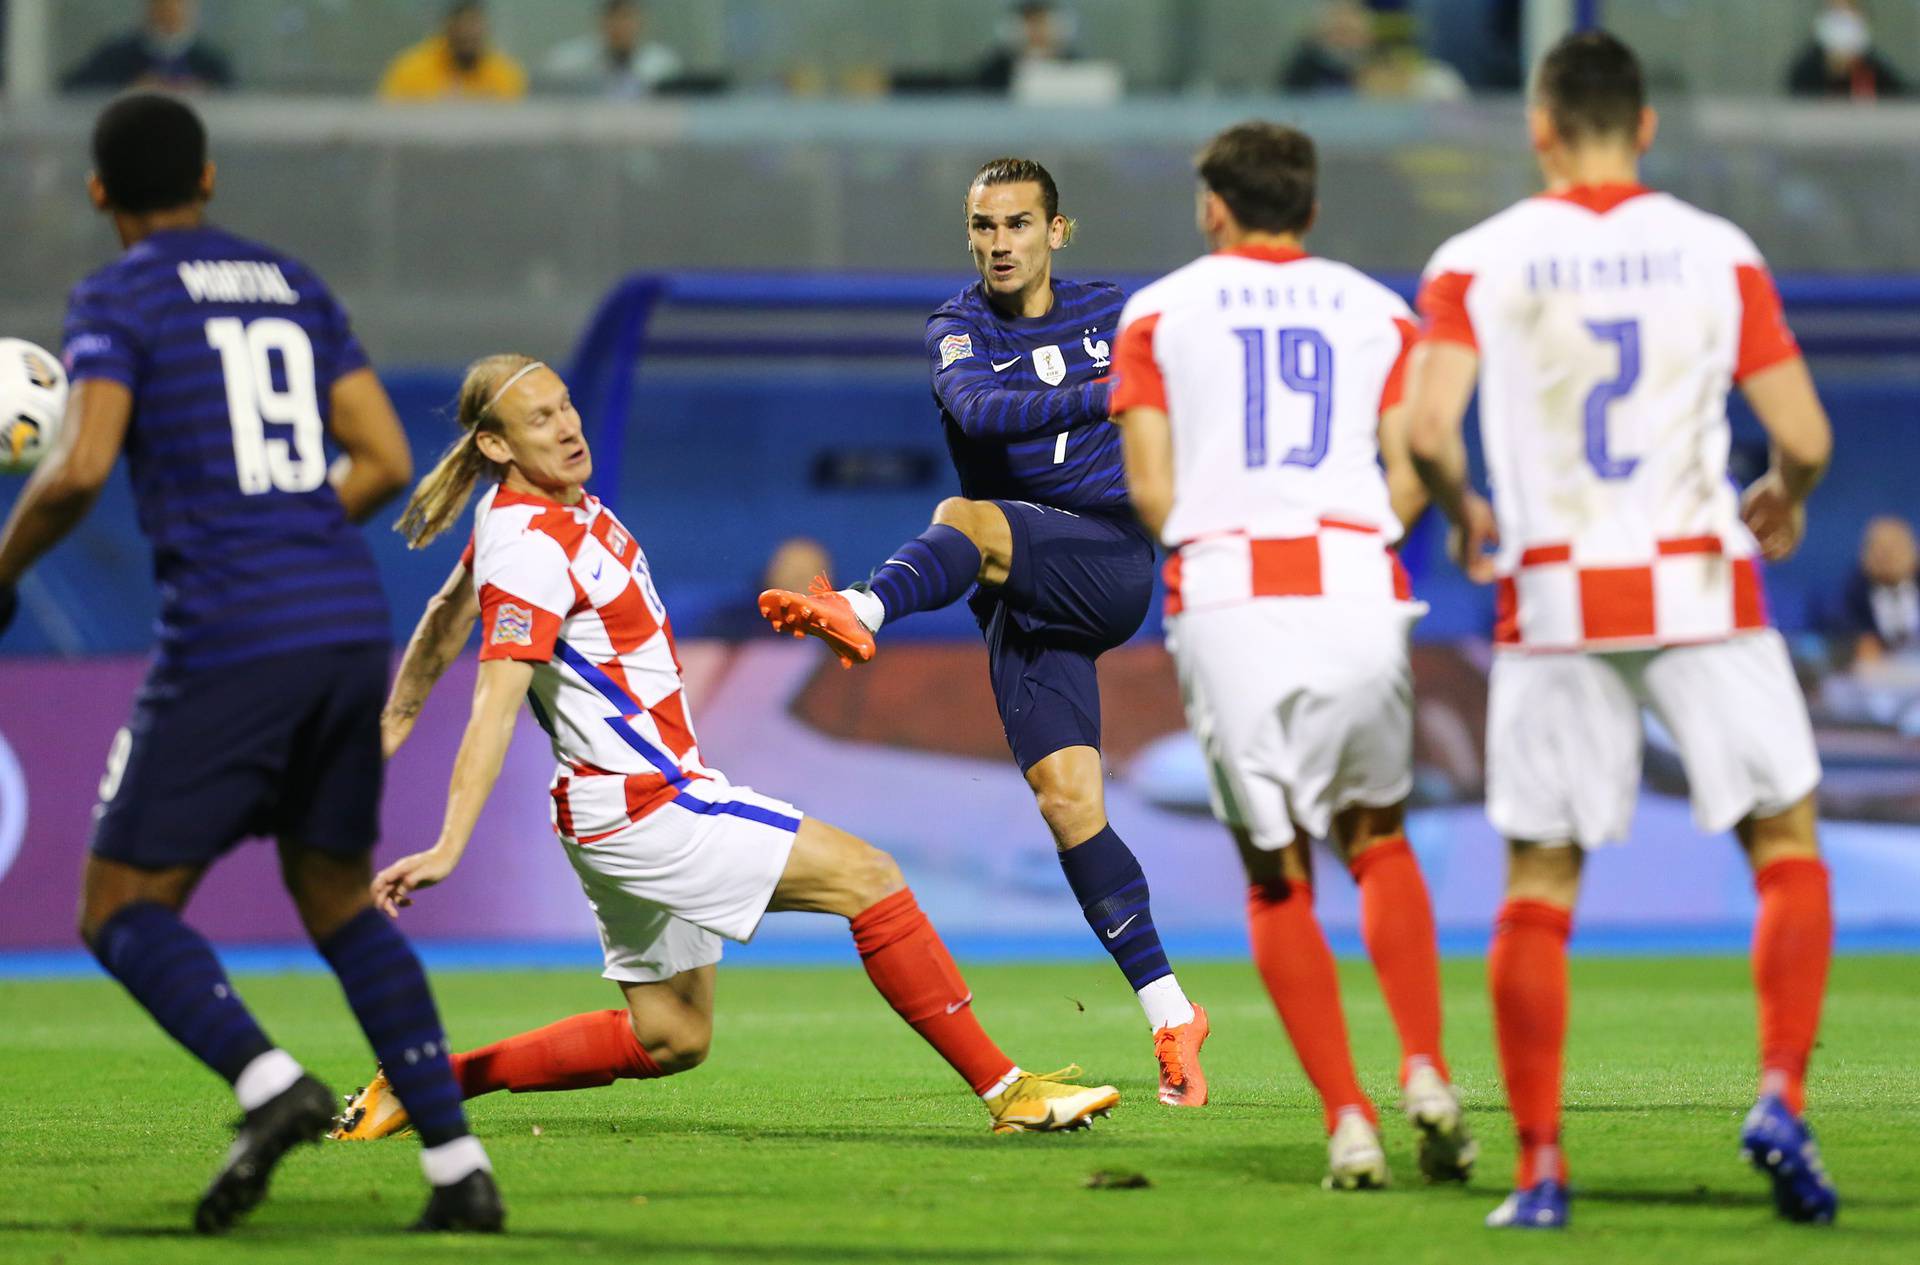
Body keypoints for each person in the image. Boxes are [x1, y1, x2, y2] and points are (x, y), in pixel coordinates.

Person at [329, 356, 1119, 1141]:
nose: (567, 426)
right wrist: (448, 844)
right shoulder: (532, 549)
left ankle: (424, 1083)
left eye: (565, 406)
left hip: (613, 807)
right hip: (647, 803)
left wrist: (384, 738)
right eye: (541, 420)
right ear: (497, 446)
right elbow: (493, 703)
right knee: (869, 877)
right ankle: (1008, 1091)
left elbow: (442, 619)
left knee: (670, 1035)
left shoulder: (521, 514)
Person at [0, 95, 500, 1233]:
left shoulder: (119, 295)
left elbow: (76, 470)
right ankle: (459, 1167)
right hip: (339, 619)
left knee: (117, 906)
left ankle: (272, 1085)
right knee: (337, 897)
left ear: (97, 195)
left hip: (233, 629)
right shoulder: (291, 282)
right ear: (211, 178)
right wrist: (286, 523)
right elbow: (380, 456)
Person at [1400, 31, 1839, 1229]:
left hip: (1553, 593)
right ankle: (1781, 1097)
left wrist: (1464, 510)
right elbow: (1800, 432)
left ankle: (1542, 1169)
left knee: (1541, 876)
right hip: (1700, 583)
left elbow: (1431, 426)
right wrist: (1785, 499)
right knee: (1785, 841)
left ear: (1538, 128)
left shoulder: (1479, 259)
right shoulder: (1715, 250)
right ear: (1645, 127)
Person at [760, 158, 1211, 1108]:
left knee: (961, 512)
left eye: (1017, 223)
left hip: (1107, 562)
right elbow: (981, 411)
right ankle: (1172, 1012)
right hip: (1017, 586)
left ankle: (867, 606)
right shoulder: (956, 328)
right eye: (984, 226)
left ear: (1058, 231)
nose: (999, 242)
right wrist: (1107, 395)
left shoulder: (1115, 313)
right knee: (1068, 801)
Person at [1111, 120, 1474, 1190]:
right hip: (1358, 583)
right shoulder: (1378, 309)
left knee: (1276, 878)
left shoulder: (1160, 312)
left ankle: (1351, 1122)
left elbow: (1149, 485)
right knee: (1381, 836)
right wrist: (1365, 531)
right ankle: (1427, 1068)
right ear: (1309, 209)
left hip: (1230, 594)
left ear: (1212, 206)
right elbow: (1412, 464)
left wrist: (1216, 540)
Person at [61, 0, 234, 93]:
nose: (169, 12)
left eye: (177, 5)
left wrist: (202, 91)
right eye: (161, 5)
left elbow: (238, 102)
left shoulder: (211, 61)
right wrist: (127, 89)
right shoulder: (117, 55)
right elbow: (71, 88)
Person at [379, 1, 527, 103]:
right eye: (461, 37)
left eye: (473, 37)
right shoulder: (411, 69)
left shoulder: (504, 72)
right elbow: (389, 119)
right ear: (447, 31)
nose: (467, 37)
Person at [542, 0, 683, 97]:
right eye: (614, 17)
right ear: (602, 20)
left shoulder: (663, 65)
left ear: (641, 21)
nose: (620, 26)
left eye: (627, 17)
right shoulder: (567, 61)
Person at [1835, 515, 1919, 661]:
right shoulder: (1855, 593)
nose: (1888, 557)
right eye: (1880, 550)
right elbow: (1849, 634)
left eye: (1896, 548)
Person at [1786, 0, 1908, 99]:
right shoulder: (1804, 73)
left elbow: (1905, 96)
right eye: (1836, 14)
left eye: (1849, 14)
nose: (1843, 24)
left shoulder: (1875, 69)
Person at [975, 2, 1077, 92]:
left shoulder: (1075, 66)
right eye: (1030, 23)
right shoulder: (995, 70)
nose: (1036, 31)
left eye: (1042, 22)